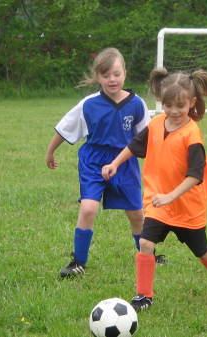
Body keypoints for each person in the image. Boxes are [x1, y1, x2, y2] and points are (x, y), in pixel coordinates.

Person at [102, 68, 207, 312]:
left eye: (180, 106)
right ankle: (144, 296)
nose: (174, 111)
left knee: (202, 251)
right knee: (146, 242)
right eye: (168, 105)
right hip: (159, 204)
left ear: (191, 103)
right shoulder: (157, 123)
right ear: (161, 101)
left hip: (187, 208)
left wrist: (170, 196)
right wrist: (114, 163)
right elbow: (135, 146)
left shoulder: (192, 135)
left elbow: (195, 176)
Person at [45, 47, 165, 278]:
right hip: (94, 161)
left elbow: (147, 139)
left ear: (125, 73)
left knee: (137, 215)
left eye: (116, 74)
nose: (112, 79)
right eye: (106, 75)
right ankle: (78, 261)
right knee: (88, 208)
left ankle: (147, 254)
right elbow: (65, 128)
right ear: (98, 77)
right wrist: (51, 152)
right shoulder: (88, 104)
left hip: (125, 162)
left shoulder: (137, 104)